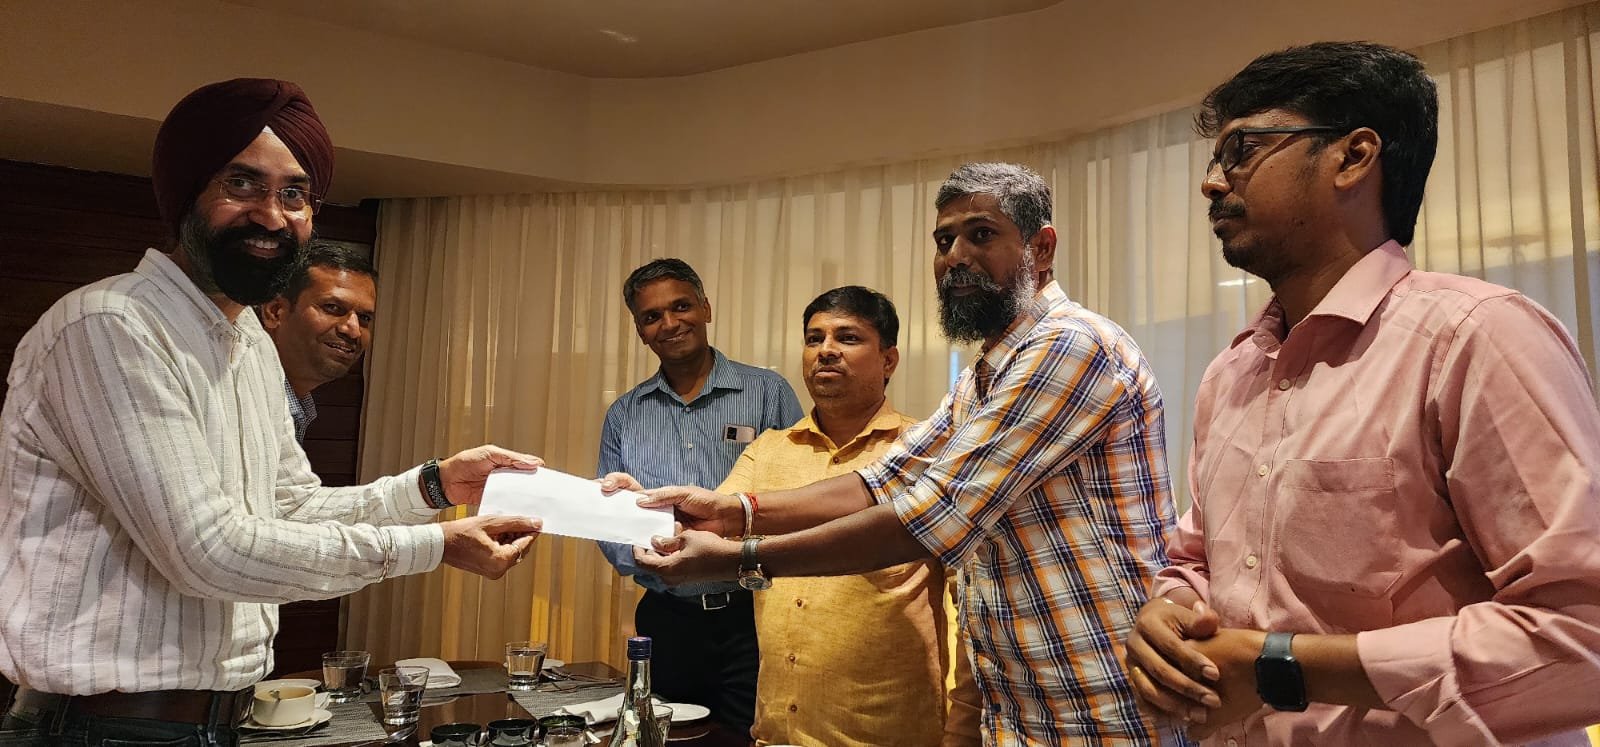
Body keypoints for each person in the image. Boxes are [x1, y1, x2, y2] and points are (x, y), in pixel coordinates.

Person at [0, 78, 543, 746]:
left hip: (217, 719)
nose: (273, 216)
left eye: (294, 195)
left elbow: (291, 506)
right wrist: (436, 545)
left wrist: (434, 485)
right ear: (186, 194)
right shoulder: (110, 326)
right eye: (242, 184)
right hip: (99, 726)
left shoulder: (249, 340)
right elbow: (208, 550)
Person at [1122, 42, 1600, 746]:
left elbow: (1581, 640)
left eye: (1242, 149)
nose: (1212, 183)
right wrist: (1168, 610)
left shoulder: (1475, 337)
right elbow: (1196, 559)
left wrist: (1282, 667)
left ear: (1353, 157)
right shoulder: (1232, 373)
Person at [616, 163, 1187, 745]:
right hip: (1020, 702)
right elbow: (883, 480)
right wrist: (729, 510)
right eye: (944, 240)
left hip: (1101, 698)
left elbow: (929, 516)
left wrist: (738, 557)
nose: (956, 256)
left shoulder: (1070, 344)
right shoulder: (981, 377)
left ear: (1041, 248)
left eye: (981, 234)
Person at [716, 286, 980, 746]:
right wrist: (641, 505)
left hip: (889, 735)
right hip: (778, 733)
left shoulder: (929, 454)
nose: (826, 350)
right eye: (814, 338)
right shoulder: (768, 451)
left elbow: (974, 608)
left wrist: (963, 728)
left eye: (848, 337)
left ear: (889, 360)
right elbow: (711, 525)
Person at [596, 258, 803, 734]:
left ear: (705, 308)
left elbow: (798, 495)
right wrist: (645, 558)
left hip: (753, 617)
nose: (669, 323)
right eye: (652, 316)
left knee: (752, 736)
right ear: (640, 330)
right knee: (665, 737)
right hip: (666, 620)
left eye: (681, 306)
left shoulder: (768, 392)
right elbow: (607, 518)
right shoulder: (625, 414)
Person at [259, 240, 377, 443]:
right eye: (332, 308)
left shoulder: (298, 405)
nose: (354, 330)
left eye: (364, 318)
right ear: (275, 311)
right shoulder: (239, 397)